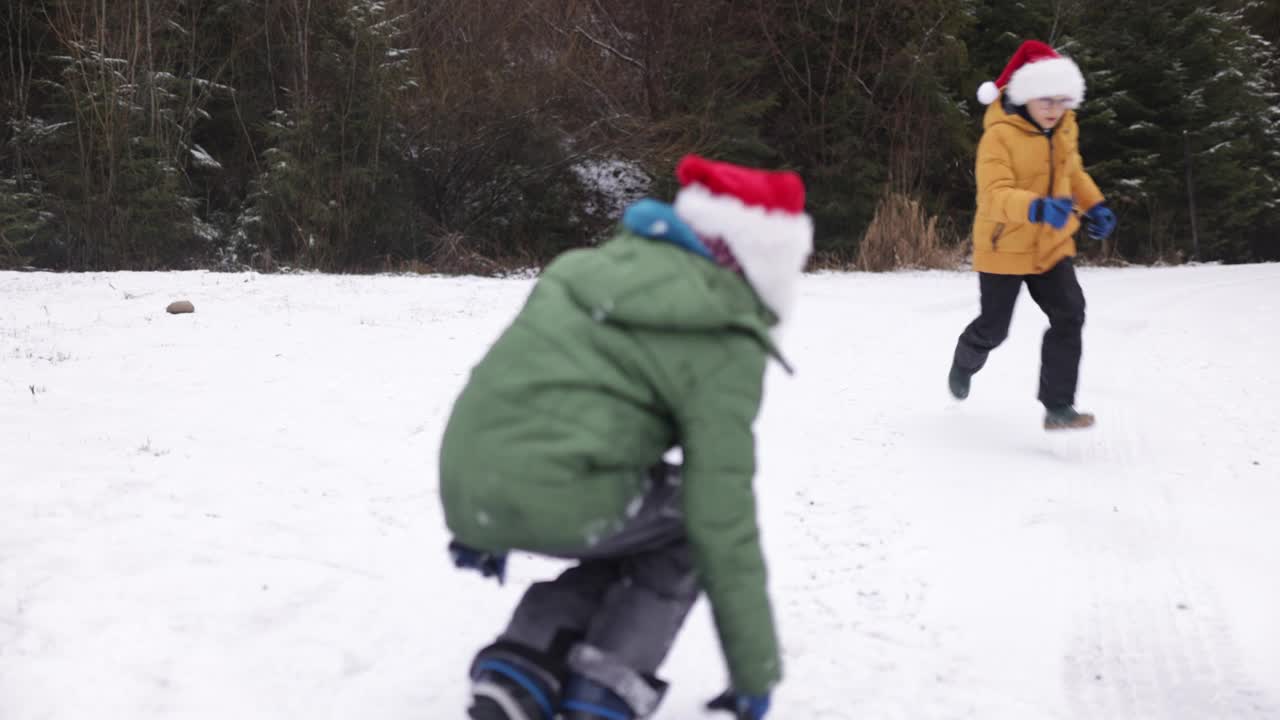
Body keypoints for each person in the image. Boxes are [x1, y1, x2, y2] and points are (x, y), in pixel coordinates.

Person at [438, 154, 814, 720]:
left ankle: (524, 660)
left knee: (635, 525)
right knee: (687, 520)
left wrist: (481, 510)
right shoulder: (725, 332)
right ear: (766, 265)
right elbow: (722, 515)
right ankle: (604, 687)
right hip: (564, 491)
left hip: (467, 477)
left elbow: (507, 385)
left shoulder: (581, 270)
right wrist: (753, 669)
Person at [949, 39, 1118, 430]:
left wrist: (1096, 206)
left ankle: (1058, 406)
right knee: (994, 329)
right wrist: (1036, 207)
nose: (1053, 110)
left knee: (1070, 313)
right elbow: (993, 197)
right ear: (1024, 95)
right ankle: (966, 358)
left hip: (1051, 246)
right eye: (1045, 100)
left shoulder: (1063, 129)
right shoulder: (998, 135)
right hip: (1003, 246)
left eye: (1062, 101)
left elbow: (1073, 173)